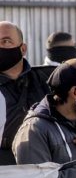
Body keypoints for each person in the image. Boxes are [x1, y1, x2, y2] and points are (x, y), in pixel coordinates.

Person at [0, 21, 53, 164]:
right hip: (5, 175)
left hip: (45, 169)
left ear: (23, 49)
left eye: (6, 41)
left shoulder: (46, 79)